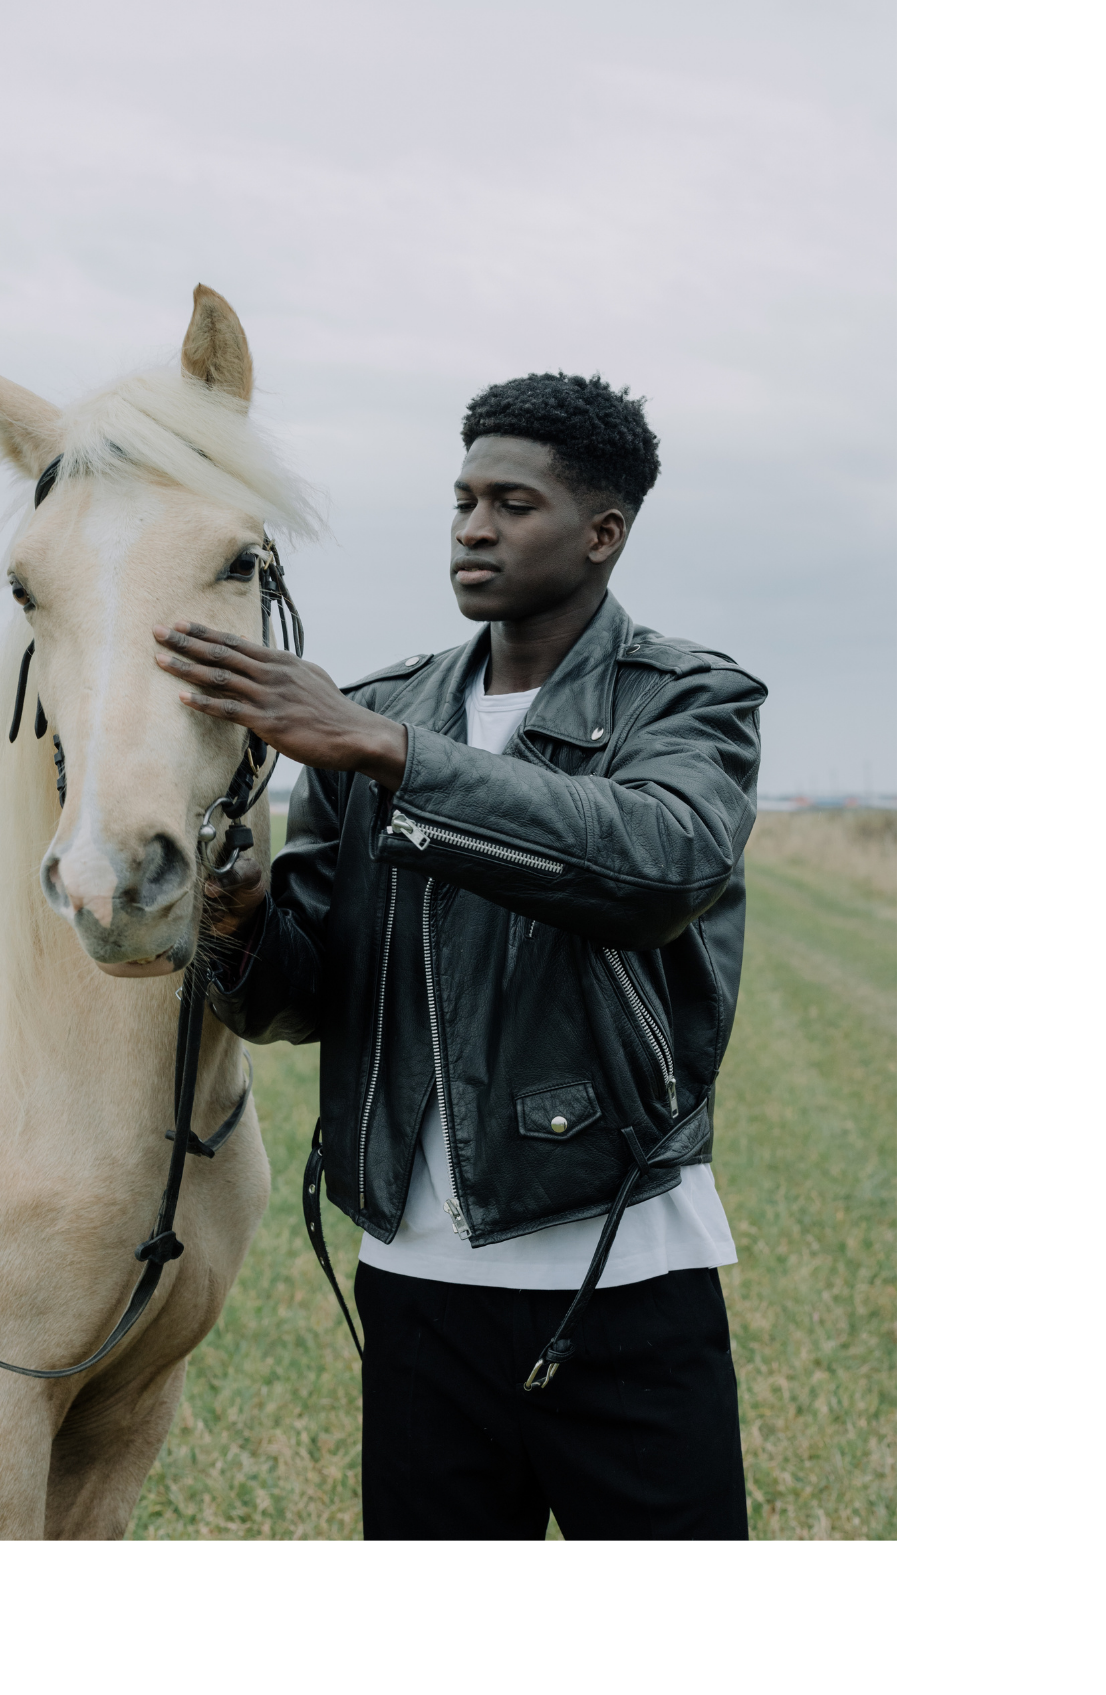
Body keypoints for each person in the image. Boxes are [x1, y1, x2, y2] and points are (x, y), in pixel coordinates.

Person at [152, 370, 767, 1541]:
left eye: (512, 502)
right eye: (462, 497)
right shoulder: (378, 712)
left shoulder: (688, 699)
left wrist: (388, 754)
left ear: (603, 533)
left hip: (621, 1275)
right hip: (415, 1286)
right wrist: (237, 920)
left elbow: (658, 864)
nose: (474, 525)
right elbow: (306, 995)